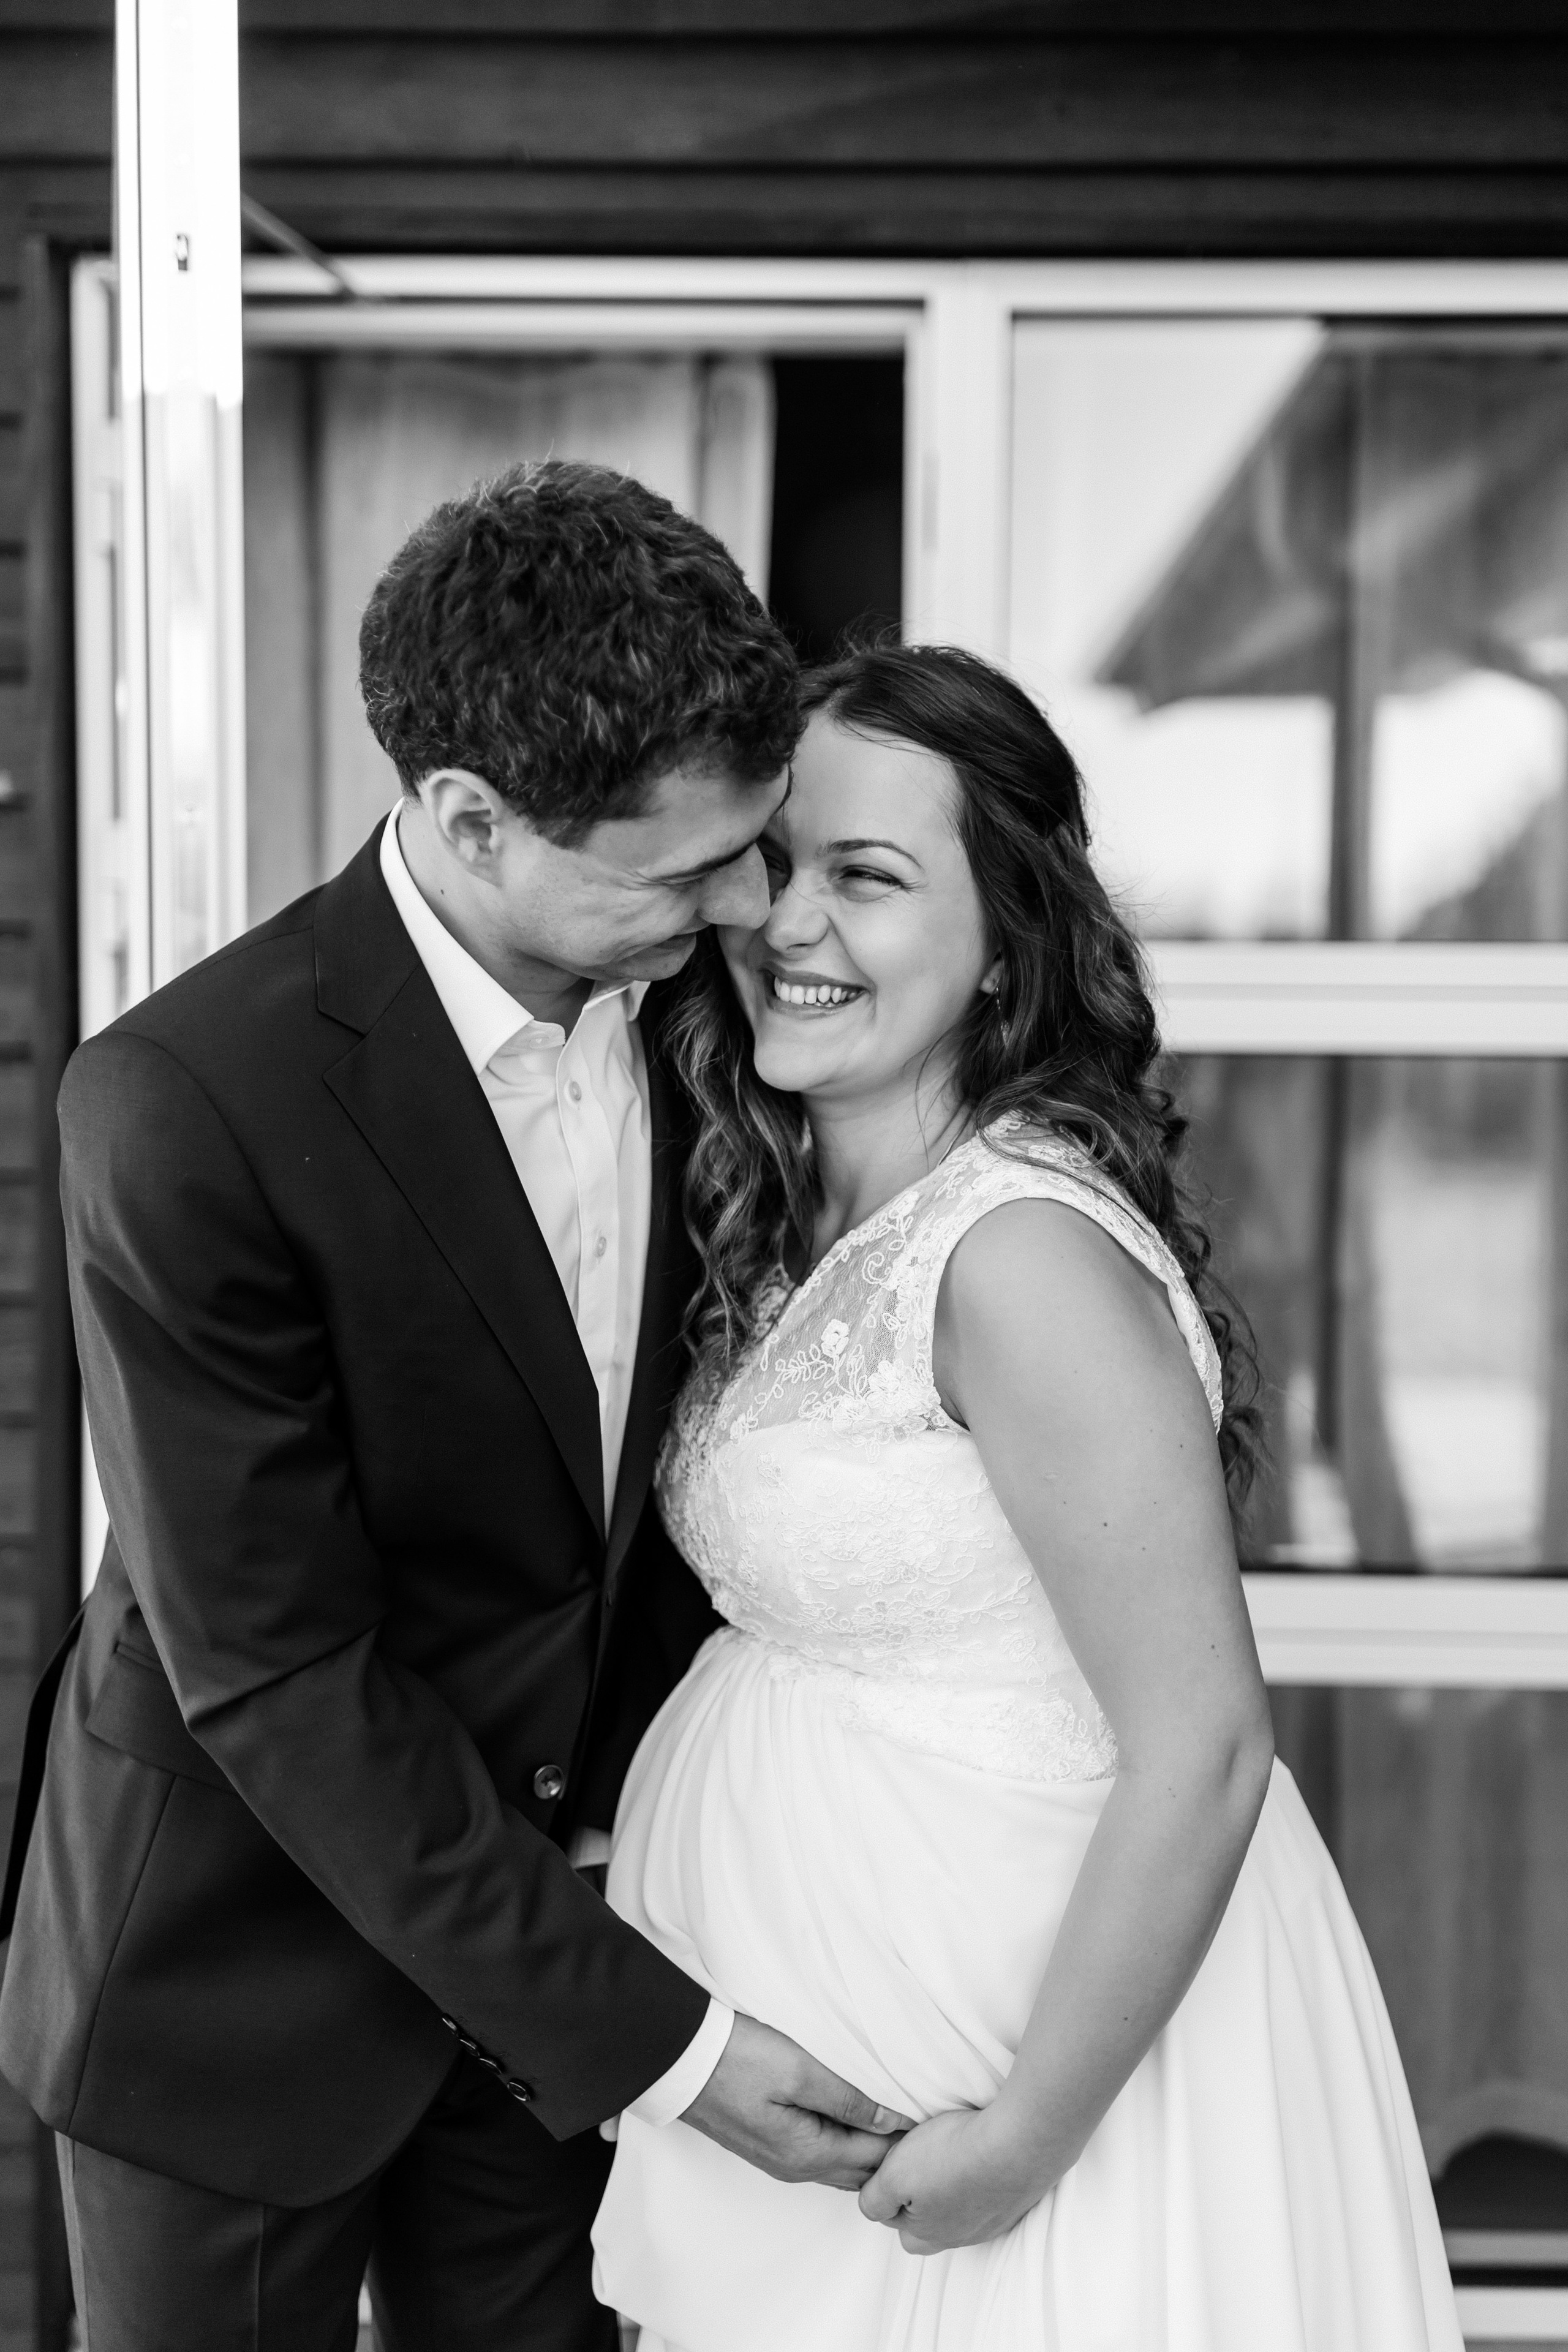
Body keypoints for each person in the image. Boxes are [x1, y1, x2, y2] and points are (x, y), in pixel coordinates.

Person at [0, 462, 908, 2352]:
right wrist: (661, 2040)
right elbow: (271, 1664)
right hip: (233, 1967)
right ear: (469, 818)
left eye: (757, 845)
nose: (751, 907)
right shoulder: (181, 1106)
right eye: (683, 870)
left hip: (579, 1932)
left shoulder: (716, 1008)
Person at [590, 642, 1464, 2351]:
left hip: (1037, 2121)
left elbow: (1205, 1745)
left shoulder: (1019, 1255)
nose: (787, 921)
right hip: (836, 2123)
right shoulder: (785, 1215)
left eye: (870, 876)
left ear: (1007, 947)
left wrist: (1025, 2144)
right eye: (777, 859)